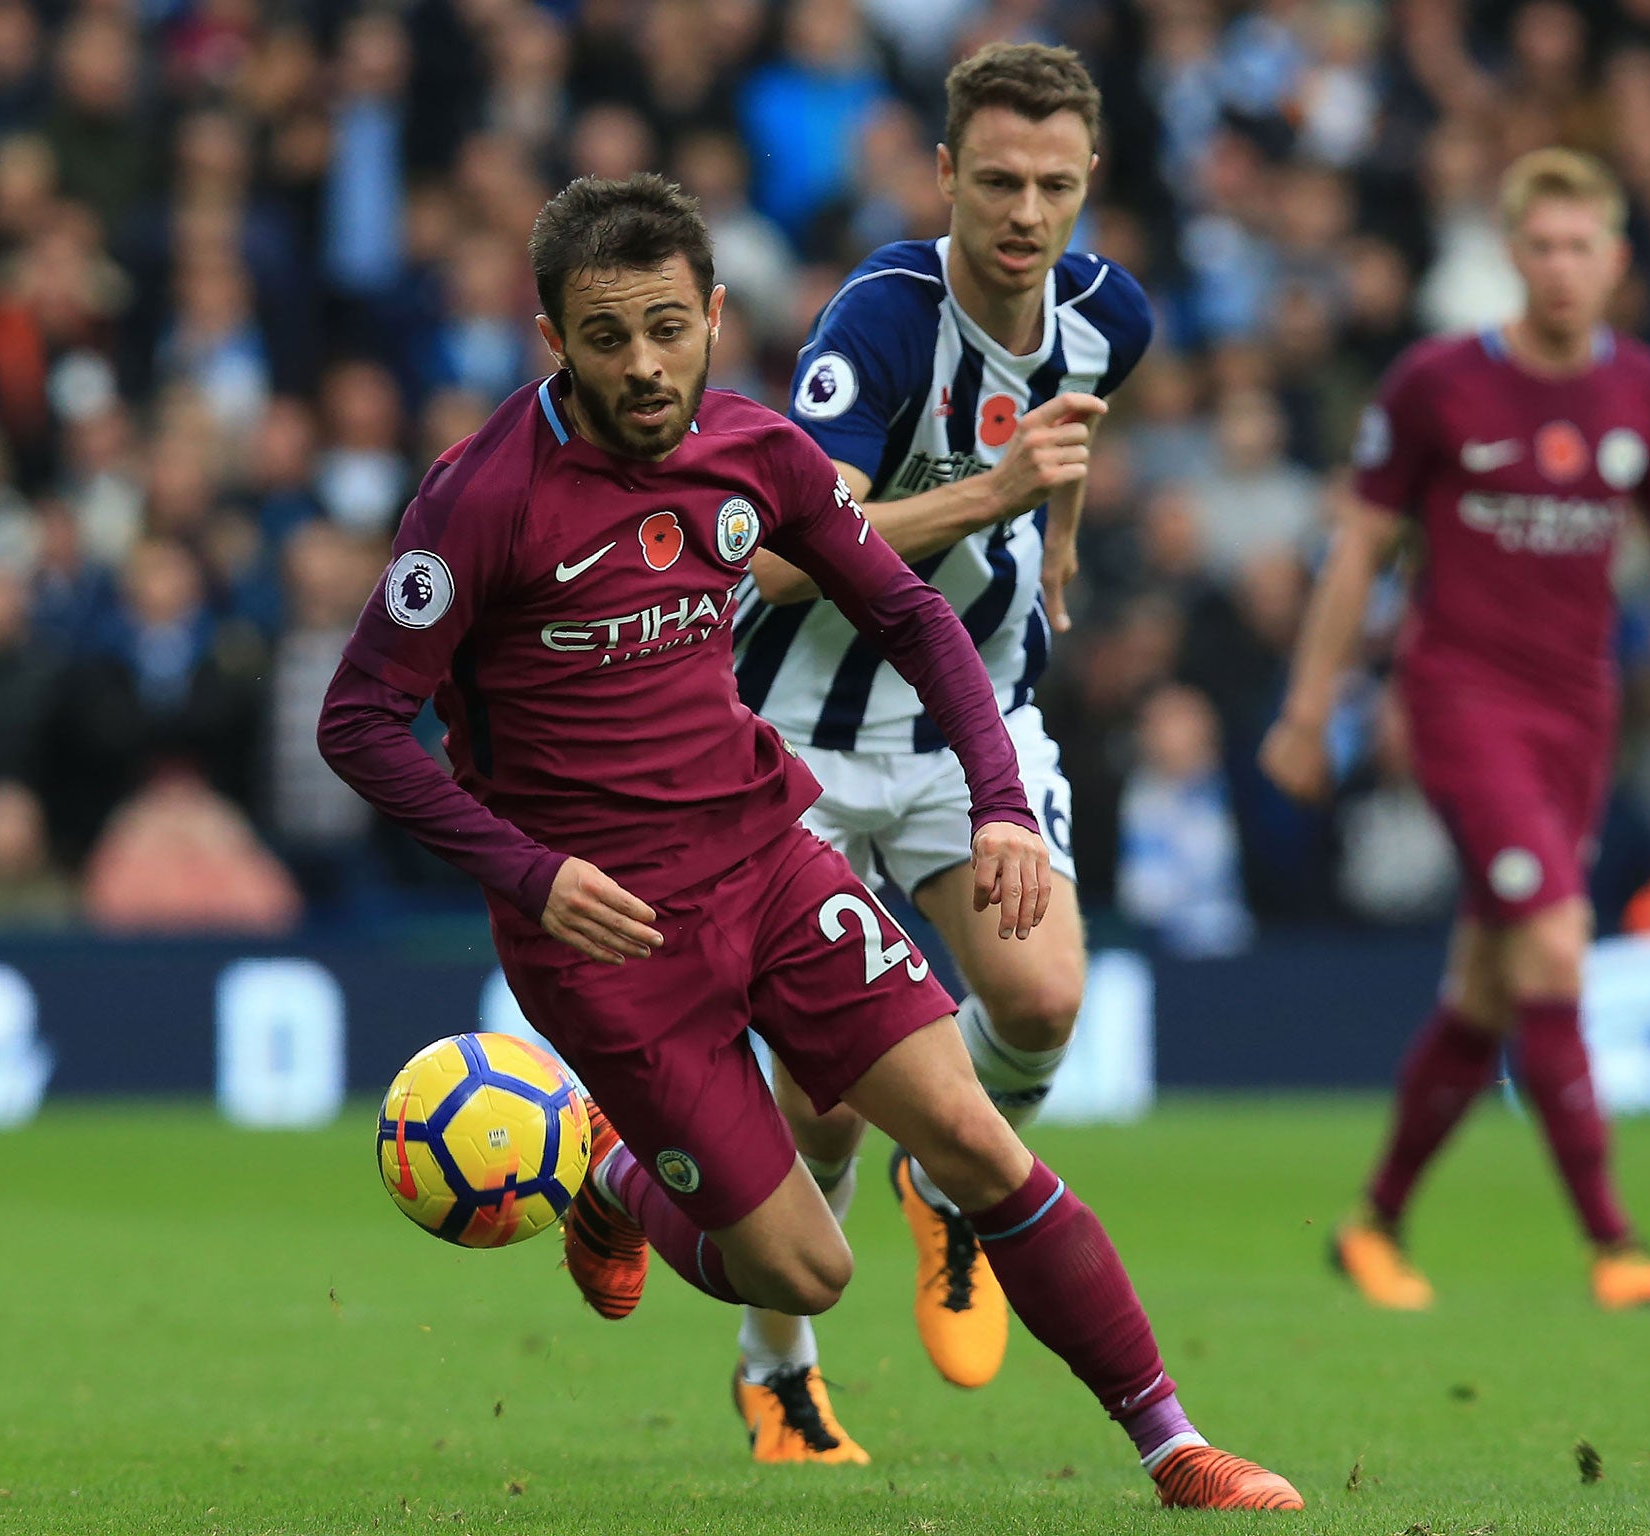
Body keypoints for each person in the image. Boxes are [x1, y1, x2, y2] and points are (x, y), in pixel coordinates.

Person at [319, 174, 1299, 1512]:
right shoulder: (480, 500)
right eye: (605, 337)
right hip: (609, 939)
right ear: (550, 339)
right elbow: (359, 725)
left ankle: (1174, 1447)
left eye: (669, 326)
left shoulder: (756, 455)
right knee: (803, 1271)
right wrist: (533, 877)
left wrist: (1002, 800)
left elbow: (913, 619)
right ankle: (620, 1173)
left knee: (974, 1139)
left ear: (715, 313)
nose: (644, 364)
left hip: (774, 863)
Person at [1259, 148, 1650, 1312]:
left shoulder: (1643, 393)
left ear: (1613, 261)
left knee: (1487, 978)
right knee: (1556, 943)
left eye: (1582, 248)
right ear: (1512, 257)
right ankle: (1611, 1241)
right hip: (1460, 700)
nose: (1561, 268)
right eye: (1541, 247)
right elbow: (1359, 548)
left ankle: (1371, 1224)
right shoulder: (1435, 385)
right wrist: (1308, 710)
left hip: (1578, 715)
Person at [729, 42, 1153, 1448]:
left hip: (973, 716)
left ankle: (950, 1182)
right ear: (943, 179)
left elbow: (1065, 447)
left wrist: (1064, 538)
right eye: (995, 182)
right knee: (824, 1096)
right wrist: (996, 493)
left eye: (1051, 185)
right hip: (803, 739)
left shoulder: (1112, 318)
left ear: (1088, 182)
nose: (1024, 213)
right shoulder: (879, 325)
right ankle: (779, 1372)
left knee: (1039, 1003)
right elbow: (789, 565)